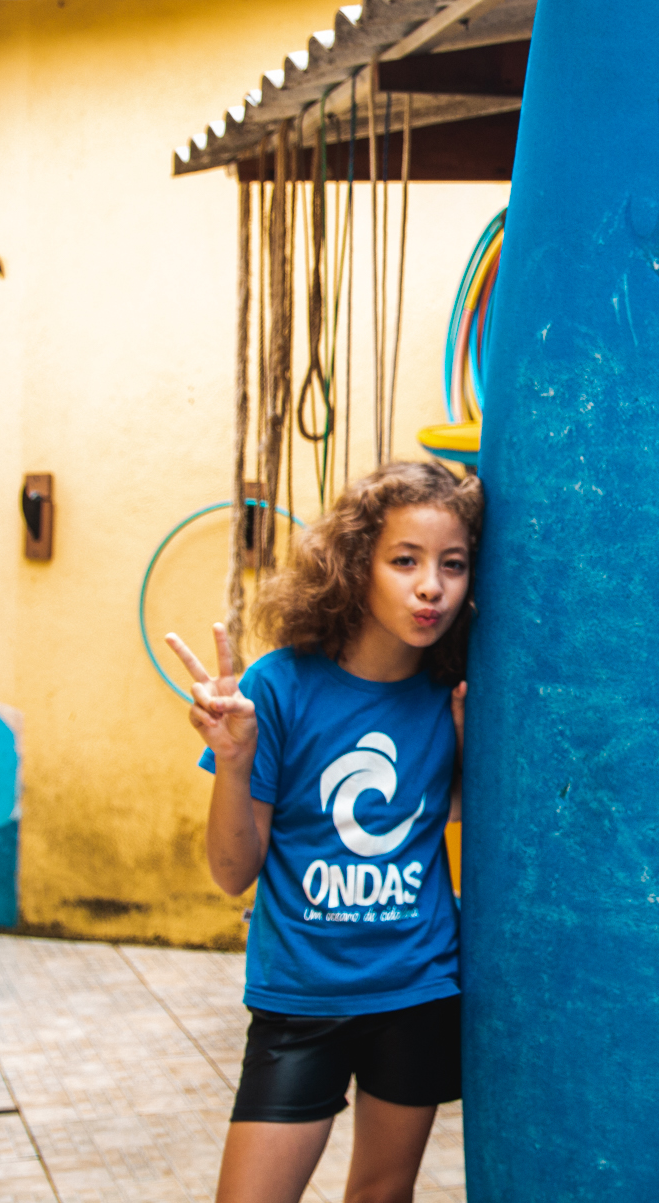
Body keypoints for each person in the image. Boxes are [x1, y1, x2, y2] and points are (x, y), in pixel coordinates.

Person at [167, 460, 481, 1203]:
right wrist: (236, 761)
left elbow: (464, 810)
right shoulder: (279, 687)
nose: (431, 585)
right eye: (405, 560)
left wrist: (472, 740)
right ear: (356, 566)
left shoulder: (457, 688)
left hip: (416, 987)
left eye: (453, 564)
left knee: (380, 1194)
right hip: (300, 994)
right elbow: (231, 870)